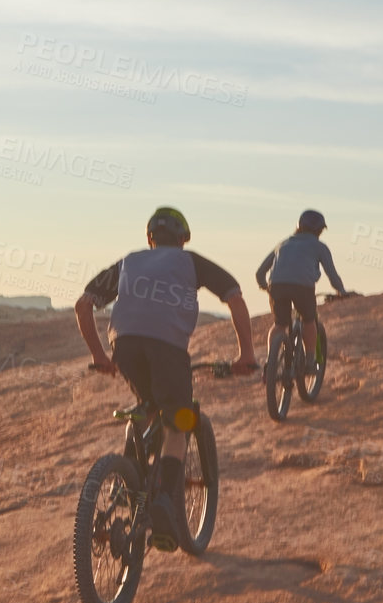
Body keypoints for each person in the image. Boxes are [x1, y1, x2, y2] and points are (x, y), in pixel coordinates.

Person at [75, 207, 257, 552]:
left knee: (149, 404)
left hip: (124, 347)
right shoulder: (192, 263)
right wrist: (246, 355)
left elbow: (84, 304)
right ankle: (163, 501)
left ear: (149, 239)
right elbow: (235, 297)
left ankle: (127, 480)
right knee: (180, 421)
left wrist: (99, 356)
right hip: (168, 350)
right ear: (183, 240)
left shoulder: (129, 261)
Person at [255, 209, 348, 364]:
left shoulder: (282, 244)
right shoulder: (319, 247)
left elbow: (259, 273)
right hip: (303, 288)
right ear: (319, 230)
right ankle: (310, 360)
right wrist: (341, 291)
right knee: (309, 320)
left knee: (279, 324)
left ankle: (270, 361)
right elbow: (332, 274)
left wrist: (265, 286)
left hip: (277, 286)